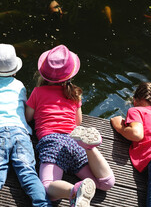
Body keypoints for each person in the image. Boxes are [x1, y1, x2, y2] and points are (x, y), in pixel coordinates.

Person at [25, 45, 115, 207]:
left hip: (51, 141)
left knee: (46, 187)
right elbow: (77, 123)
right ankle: (90, 148)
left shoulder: (38, 92)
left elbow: (28, 117)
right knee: (103, 184)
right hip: (74, 140)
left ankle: (73, 191)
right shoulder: (74, 93)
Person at [0, 44, 51, 207]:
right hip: (20, 132)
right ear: (14, 70)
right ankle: (42, 204)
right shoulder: (19, 85)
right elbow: (24, 107)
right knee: (28, 173)